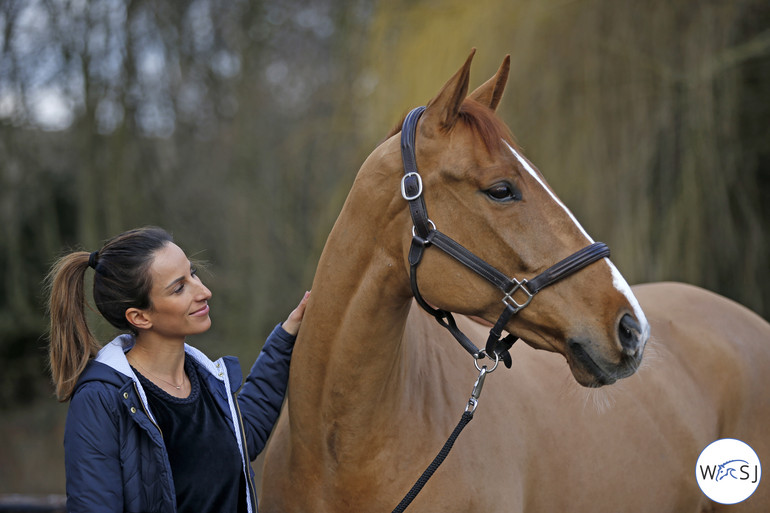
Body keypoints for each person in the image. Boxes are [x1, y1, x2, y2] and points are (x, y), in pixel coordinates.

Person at [46, 226, 309, 513]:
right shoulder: (100, 400)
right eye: (179, 287)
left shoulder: (205, 378)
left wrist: (286, 337)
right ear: (140, 316)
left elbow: (243, 437)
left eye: (193, 273)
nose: (204, 291)